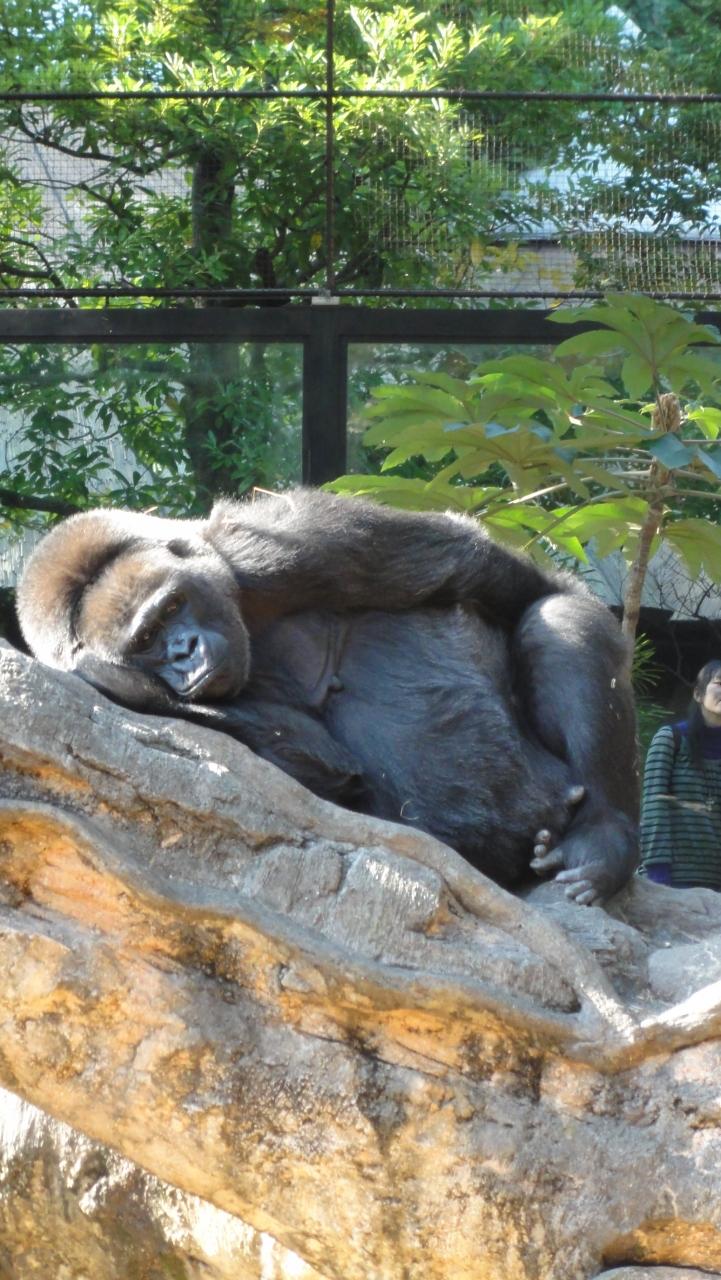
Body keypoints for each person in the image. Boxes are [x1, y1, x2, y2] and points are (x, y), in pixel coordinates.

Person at [639, 659, 721, 890]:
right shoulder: (670, 739)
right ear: (698, 694)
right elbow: (654, 807)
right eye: (719, 683)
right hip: (672, 879)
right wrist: (658, 877)